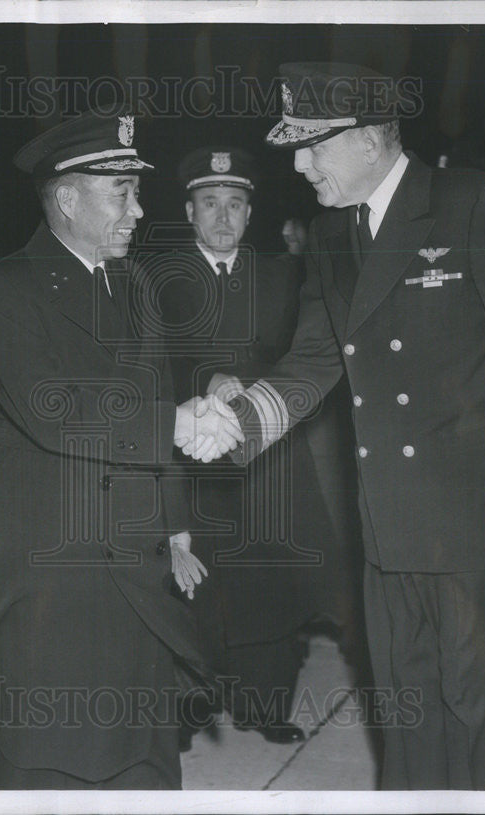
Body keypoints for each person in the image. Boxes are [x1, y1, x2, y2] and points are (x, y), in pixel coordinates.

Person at [199, 62, 485, 789]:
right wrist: (240, 421)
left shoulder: (475, 203)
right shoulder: (330, 233)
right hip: (387, 522)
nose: (299, 163)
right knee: (411, 714)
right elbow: (315, 356)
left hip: (480, 517)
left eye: (313, 145)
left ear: (371, 141)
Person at [0, 109, 236, 790]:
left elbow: (158, 385)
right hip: (51, 561)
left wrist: (174, 529)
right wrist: (171, 423)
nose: (139, 210)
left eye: (137, 192)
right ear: (69, 196)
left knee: (143, 750)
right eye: (122, 193)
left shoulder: (134, 284)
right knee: (54, 754)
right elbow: (57, 413)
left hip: (135, 558)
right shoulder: (2, 290)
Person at [154, 147, 351, 744]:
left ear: (249, 213)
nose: (222, 217)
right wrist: (204, 381)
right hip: (193, 454)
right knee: (194, 582)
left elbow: (305, 356)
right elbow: (148, 362)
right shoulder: (155, 279)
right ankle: (188, 708)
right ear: (189, 211)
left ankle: (265, 704)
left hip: (267, 452)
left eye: (234, 205)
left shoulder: (281, 274)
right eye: (209, 204)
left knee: (270, 576)